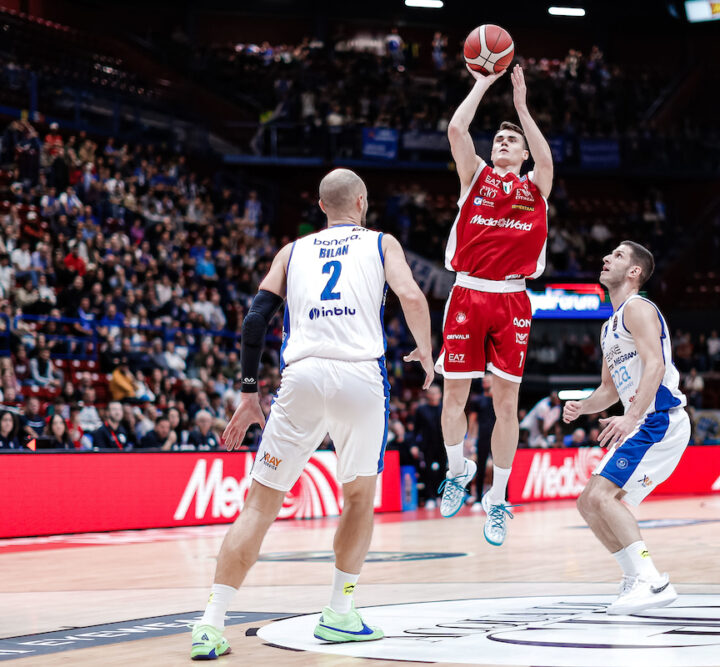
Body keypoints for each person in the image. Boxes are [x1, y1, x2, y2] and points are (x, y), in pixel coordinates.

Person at [189, 168, 434, 660]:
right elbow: (410, 295)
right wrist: (426, 353)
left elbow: (256, 318)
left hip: (299, 378)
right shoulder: (382, 243)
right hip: (359, 377)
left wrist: (247, 392)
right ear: (361, 202)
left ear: (321, 207)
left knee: (259, 506)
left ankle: (211, 623)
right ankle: (340, 613)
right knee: (359, 496)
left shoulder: (292, 250)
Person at [435, 63, 553, 546]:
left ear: (524, 153)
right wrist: (484, 81)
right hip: (467, 291)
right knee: (455, 396)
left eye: (512, 141)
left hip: (512, 298)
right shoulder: (475, 177)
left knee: (507, 404)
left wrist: (522, 108)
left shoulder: (534, 188)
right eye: (499, 140)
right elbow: (457, 129)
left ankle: (498, 498)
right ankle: (455, 472)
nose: (503, 144)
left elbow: (547, 162)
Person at [563, 241, 690, 615]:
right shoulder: (609, 326)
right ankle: (635, 577)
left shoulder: (638, 307)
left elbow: (655, 366)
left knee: (602, 497)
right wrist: (582, 407)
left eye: (618, 256)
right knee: (589, 502)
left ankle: (652, 579)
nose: (606, 258)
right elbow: (608, 389)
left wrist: (631, 416)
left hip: (658, 420)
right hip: (645, 421)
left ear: (634, 272)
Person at [467, 374, 497, 505]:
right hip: (483, 437)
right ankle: (479, 498)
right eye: (484, 380)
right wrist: (469, 437)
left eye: (488, 380)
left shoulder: (499, 398)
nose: (485, 382)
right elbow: (472, 420)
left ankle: (502, 497)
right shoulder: (477, 400)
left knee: (500, 467)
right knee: (481, 466)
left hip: (497, 437)